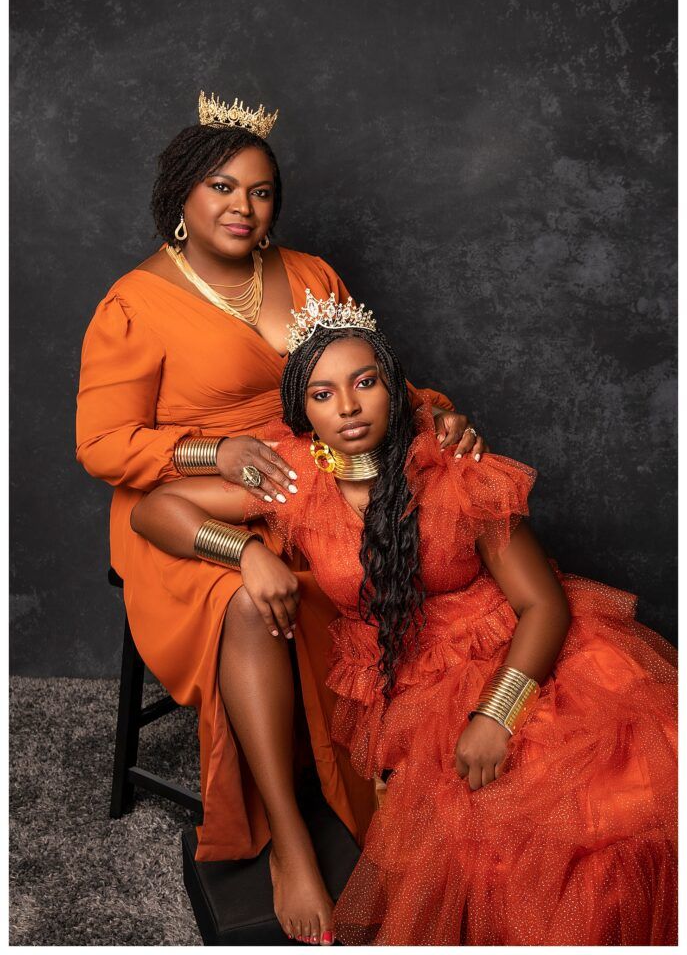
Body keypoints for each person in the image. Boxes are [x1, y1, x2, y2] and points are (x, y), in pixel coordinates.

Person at [129, 291, 678, 946]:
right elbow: (155, 511)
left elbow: (543, 605)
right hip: (411, 688)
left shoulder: (452, 468)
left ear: (395, 390)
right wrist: (244, 550)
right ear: (302, 411)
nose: (349, 408)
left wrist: (495, 714)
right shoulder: (297, 478)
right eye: (323, 395)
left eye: (364, 384)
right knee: (498, 845)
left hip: (523, 662)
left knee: (616, 823)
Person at [75, 90, 486, 943]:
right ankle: (289, 844)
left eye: (260, 191)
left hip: (313, 477)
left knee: (419, 548)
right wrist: (208, 453)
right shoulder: (134, 302)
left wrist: (432, 411)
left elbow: (355, 369)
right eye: (221, 187)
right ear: (181, 197)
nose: (241, 207)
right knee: (253, 608)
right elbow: (105, 445)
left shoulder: (306, 274)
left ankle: (397, 773)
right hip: (185, 506)